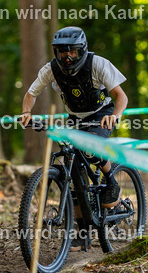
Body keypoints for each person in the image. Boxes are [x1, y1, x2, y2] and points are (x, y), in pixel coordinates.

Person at [17, 26, 128, 205]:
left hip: (102, 115)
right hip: (75, 117)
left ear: (82, 49)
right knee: (72, 166)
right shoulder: (51, 69)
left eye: (72, 53)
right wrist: (26, 113)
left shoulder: (98, 64)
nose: (67, 58)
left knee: (89, 147)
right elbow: (31, 94)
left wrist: (115, 116)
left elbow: (121, 96)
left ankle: (111, 182)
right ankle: (80, 225)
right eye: (62, 53)